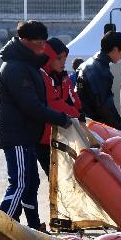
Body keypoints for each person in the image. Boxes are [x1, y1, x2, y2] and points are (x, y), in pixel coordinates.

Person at [0, 21, 70, 232]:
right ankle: (1, 228)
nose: (42, 47)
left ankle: (33, 226)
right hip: (16, 135)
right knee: (19, 183)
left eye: (43, 42)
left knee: (31, 183)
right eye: (38, 43)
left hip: (27, 136)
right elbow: (31, 105)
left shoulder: (28, 64)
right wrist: (61, 119)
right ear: (24, 41)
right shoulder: (14, 68)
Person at [36, 38, 82, 173]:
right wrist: (77, 114)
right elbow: (53, 103)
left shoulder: (63, 77)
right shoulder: (42, 76)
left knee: (63, 176)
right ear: (49, 58)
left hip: (60, 135)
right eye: (59, 59)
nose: (63, 62)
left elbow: (73, 98)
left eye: (64, 58)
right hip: (44, 137)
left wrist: (79, 112)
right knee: (54, 176)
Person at [76, 31, 121, 131]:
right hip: (93, 126)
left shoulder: (86, 65)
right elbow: (105, 107)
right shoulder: (101, 71)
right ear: (115, 49)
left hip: (83, 122)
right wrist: (120, 130)